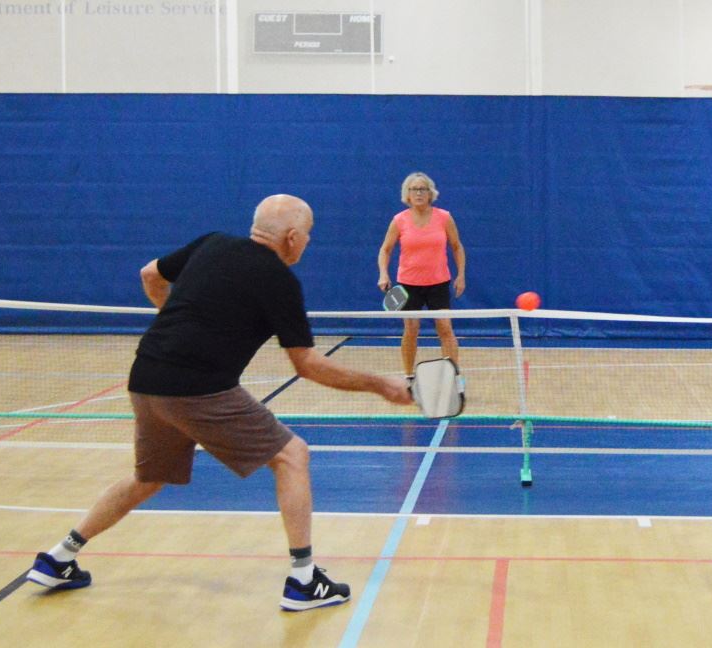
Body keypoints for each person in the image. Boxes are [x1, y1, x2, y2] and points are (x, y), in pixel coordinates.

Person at [27, 194, 412, 612]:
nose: (307, 243)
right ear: (293, 237)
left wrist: (176, 319)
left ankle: (59, 557)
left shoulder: (211, 243)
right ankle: (303, 580)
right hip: (198, 389)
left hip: (146, 377)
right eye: (309, 236)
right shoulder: (279, 280)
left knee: (148, 477)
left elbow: (149, 274)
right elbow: (307, 365)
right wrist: (381, 385)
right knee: (292, 456)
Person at [377, 172, 466, 383]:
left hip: (438, 282)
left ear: (430, 193)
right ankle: (409, 376)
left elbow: (456, 246)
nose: (418, 193)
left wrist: (461, 275)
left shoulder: (444, 217)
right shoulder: (399, 220)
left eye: (422, 189)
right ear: (407, 194)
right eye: (414, 189)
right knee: (411, 330)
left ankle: (453, 376)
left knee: (445, 328)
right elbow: (386, 249)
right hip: (409, 285)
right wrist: (383, 273)